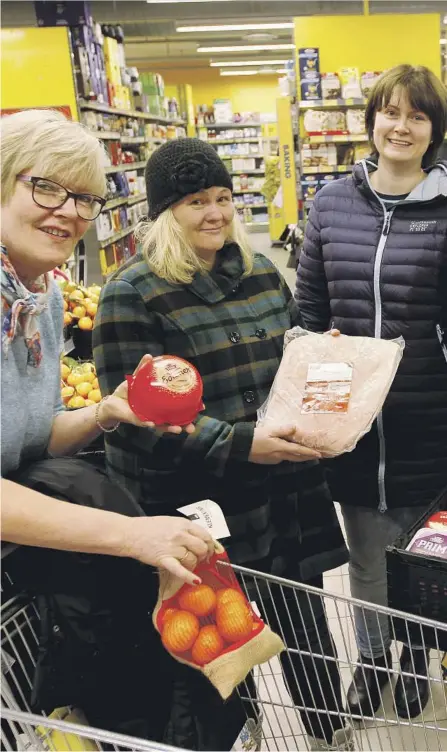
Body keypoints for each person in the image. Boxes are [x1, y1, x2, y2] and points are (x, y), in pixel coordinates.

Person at [93, 137, 352, 751]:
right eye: (193, 201)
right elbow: (136, 415)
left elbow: (290, 357)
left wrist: (320, 359)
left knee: (301, 613)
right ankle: (242, 726)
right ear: (163, 213)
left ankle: (327, 728)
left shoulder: (261, 271)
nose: (215, 212)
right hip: (197, 498)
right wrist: (242, 444)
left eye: (222, 197)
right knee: (220, 627)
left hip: (282, 484)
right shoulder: (133, 292)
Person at [0, 109, 214, 583]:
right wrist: (129, 535)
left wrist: (105, 413)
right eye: (46, 188)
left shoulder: (43, 298)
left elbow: (38, 437)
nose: (70, 211)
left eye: (84, 198)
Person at [295, 64, 447, 719]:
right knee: (362, 557)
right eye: (391, 112)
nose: (401, 126)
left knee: (417, 556)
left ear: (433, 130)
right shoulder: (330, 204)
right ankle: (370, 657)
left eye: (417, 115)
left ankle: (414, 659)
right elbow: (306, 308)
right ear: (371, 122)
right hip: (348, 419)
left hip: (427, 416)